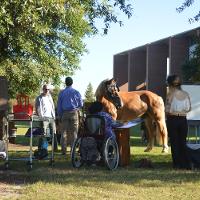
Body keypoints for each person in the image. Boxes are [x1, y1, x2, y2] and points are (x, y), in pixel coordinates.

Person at [165, 74, 191, 169]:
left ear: (170, 84)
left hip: (173, 119)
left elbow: (167, 110)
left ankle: (177, 164)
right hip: (183, 120)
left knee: (175, 143)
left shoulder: (170, 94)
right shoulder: (185, 94)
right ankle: (186, 164)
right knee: (182, 142)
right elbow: (188, 108)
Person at [57, 77, 83, 155]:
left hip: (65, 113)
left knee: (63, 132)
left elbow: (59, 106)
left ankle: (63, 151)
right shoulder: (76, 92)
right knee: (74, 133)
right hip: (74, 113)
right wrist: (76, 108)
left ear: (65, 83)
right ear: (72, 83)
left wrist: (60, 115)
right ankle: (73, 150)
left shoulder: (62, 93)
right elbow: (81, 104)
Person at [35, 84, 58, 151]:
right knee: (43, 133)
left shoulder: (50, 97)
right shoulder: (39, 98)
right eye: (45, 89)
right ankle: (41, 148)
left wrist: (54, 116)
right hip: (43, 118)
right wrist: (41, 117)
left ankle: (55, 148)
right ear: (43, 89)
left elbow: (52, 107)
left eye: (48, 89)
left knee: (54, 133)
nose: (47, 90)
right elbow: (37, 108)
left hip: (51, 117)